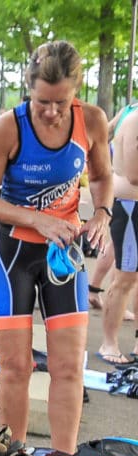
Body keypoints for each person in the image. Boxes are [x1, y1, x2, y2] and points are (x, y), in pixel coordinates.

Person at [0, 40, 112, 456]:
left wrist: (102, 212)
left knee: (69, 369)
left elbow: (103, 176)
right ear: (28, 88)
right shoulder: (7, 127)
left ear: (76, 91)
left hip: (62, 258)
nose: (51, 111)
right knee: (16, 367)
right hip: (11, 253)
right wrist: (39, 219)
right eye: (42, 102)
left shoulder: (93, 121)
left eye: (61, 102)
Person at [96, 101, 138, 366]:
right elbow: (134, 174)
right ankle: (108, 343)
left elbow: (104, 131)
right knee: (125, 278)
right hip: (130, 206)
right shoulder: (134, 117)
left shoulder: (128, 111)